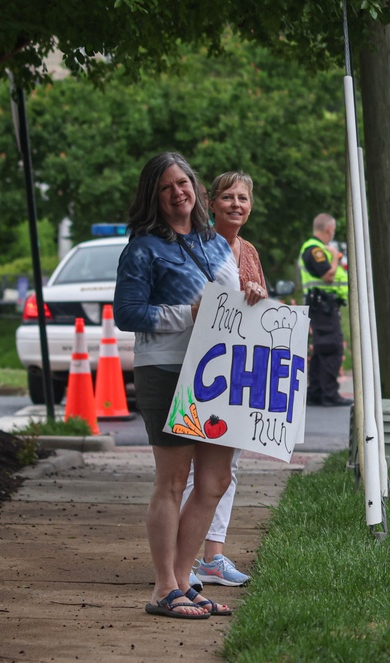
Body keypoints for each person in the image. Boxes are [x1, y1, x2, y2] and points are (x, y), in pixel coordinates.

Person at [114, 152, 258, 619]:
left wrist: (252, 296)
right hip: (167, 370)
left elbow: (233, 304)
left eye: (184, 183)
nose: (179, 192)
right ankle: (163, 588)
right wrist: (186, 314)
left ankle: (184, 580)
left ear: (195, 189)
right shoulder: (143, 248)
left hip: (218, 371)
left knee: (215, 481)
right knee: (173, 481)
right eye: (167, 186)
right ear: (154, 196)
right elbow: (127, 314)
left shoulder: (215, 244)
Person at [183, 171, 265, 591]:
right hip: (200, 366)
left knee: (227, 468)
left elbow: (259, 311)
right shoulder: (198, 246)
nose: (237, 204)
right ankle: (185, 561)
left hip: (237, 370)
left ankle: (213, 556)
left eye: (244, 198)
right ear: (211, 203)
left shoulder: (248, 251)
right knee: (196, 468)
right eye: (229, 197)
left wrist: (256, 294)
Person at [300, 213, 353, 407]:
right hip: (323, 305)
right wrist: (334, 259)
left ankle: (316, 391)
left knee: (322, 348)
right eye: (333, 231)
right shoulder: (316, 250)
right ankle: (329, 394)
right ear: (329, 229)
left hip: (323, 304)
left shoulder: (315, 248)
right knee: (332, 347)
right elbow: (328, 276)